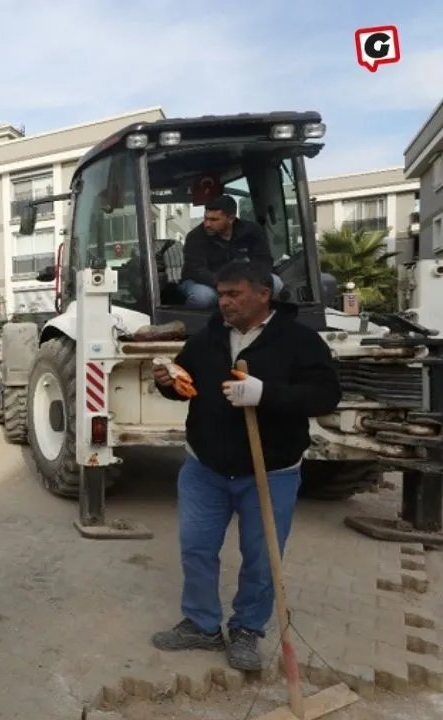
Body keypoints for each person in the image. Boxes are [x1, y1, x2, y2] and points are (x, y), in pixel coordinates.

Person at [150, 260, 342, 672]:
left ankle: (247, 631)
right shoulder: (208, 338)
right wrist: (167, 384)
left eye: (234, 294)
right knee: (197, 549)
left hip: (270, 472)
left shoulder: (298, 340)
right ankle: (201, 624)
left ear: (263, 294)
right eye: (221, 294)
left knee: (262, 556)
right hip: (206, 469)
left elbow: (326, 395)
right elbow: (186, 386)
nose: (225, 302)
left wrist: (266, 393)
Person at [181, 194, 284, 308]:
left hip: (242, 279)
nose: (207, 224)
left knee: (277, 283)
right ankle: (196, 324)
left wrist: (250, 281)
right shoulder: (195, 236)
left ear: (231, 219)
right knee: (203, 297)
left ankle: (260, 321)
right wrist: (228, 286)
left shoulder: (251, 231)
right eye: (206, 218)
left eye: (214, 219)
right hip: (204, 282)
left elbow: (263, 260)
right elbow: (198, 271)